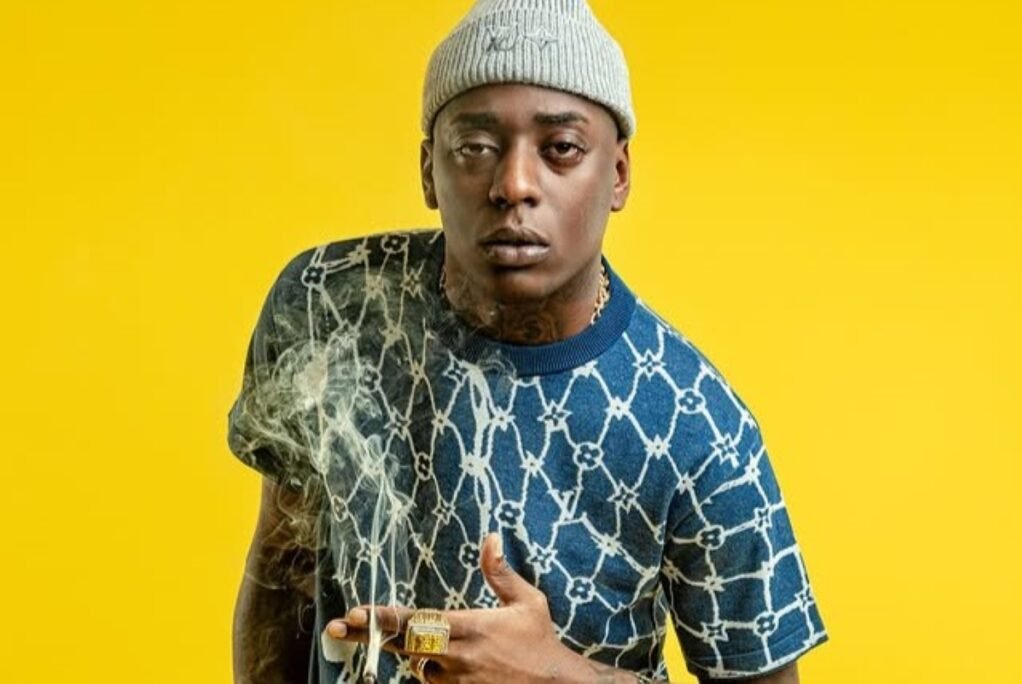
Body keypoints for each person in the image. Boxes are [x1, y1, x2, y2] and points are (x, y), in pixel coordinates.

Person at [228, 1, 828, 682]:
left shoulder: (697, 428)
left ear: (619, 174)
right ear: (428, 170)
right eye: (475, 148)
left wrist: (558, 675)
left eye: (561, 148)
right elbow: (283, 568)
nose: (513, 185)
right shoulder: (327, 305)